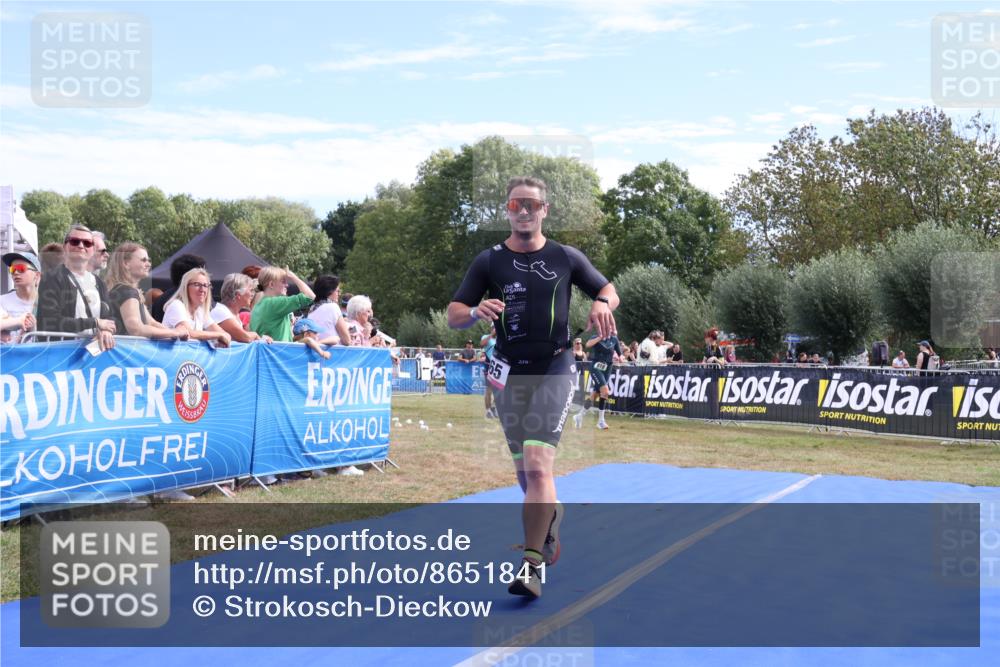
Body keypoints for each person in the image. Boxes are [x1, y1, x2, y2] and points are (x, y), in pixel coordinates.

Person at [448, 176, 619, 599]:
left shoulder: (565, 256)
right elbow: (453, 314)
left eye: (532, 204)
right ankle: (550, 519)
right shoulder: (488, 261)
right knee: (526, 474)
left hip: (554, 367)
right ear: (507, 210)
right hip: (507, 371)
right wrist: (473, 311)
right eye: (515, 204)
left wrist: (601, 303)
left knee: (540, 465)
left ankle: (533, 565)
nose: (524, 211)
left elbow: (608, 290)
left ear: (545, 210)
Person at [36, 224, 116, 350]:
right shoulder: (51, 278)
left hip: (93, 355)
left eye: (87, 243)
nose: (81, 246)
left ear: (92, 250)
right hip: (61, 355)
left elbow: (110, 317)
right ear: (65, 247)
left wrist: (107, 331)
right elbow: (51, 322)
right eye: (74, 241)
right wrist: (95, 322)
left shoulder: (99, 283)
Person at [104, 243, 187, 340]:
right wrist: (174, 332)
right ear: (126, 263)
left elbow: (151, 322)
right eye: (143, 260)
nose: (149, 264)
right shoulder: (127, 291)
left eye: (148, 260)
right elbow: (136, 329)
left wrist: (174, 333)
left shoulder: (125, 290)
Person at [162, 268, 231, 347]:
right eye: (197, 284)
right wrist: (218, 336)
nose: (202, 289)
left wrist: (221, 338)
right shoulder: (176, 305)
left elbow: (224, 334)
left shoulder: (200, 311)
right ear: (186, 287)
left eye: (205, 285)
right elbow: (189, 333)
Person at [250, 266, 316, 342]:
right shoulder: (275, 303)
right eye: (283, 281)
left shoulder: (257, 305)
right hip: (278, 352)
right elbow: (310, 296)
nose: (287, 285)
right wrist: (293, 277)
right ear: (271, 284)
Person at [573, 332, 622, 430]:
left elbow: (619, 353)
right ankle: (601, 421)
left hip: (608, 367)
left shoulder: (614, 339)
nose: (611, 329)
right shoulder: (596, 336)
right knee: (605, 392)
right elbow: (587, 345)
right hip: (596, 367)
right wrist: (600, 337)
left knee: (594, 395)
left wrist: (619, 358)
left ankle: (579, 416)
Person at [211, 273, 270, 344]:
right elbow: (245, 337)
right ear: (238, 295)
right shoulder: (220, 312)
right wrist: (256, 335)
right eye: (250, 290)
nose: (252, 294)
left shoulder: (232, 313)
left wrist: (262, 339)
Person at [152, 253, 205, 323]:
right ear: (189, 275)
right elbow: (187, 332)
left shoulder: (163, 298)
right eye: (200, 272)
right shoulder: (177, 302)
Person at [1, 251, 40, 343]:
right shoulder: (2, 301)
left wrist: (33, 329)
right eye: (12, 269)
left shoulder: (49, 304)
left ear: (36, 275)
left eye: (21, 268)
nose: (16, 273)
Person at [308, 275, 351, 346]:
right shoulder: (333, 307)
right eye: (337, 291)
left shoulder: (311, 309)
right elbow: (347, 340)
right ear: (330, 291)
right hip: (332, 353)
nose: (339, 294)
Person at [481, 325, 498, 419]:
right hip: (489, 366)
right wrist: (492, 334)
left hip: (500, 366)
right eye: (494, 327)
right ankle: (488, 411)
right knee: (489, 390)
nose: (496, 329)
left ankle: (494, 408)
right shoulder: (486, 337)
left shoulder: (502, 338)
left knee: (500, 390)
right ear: (491, 328)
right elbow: (482, 344)